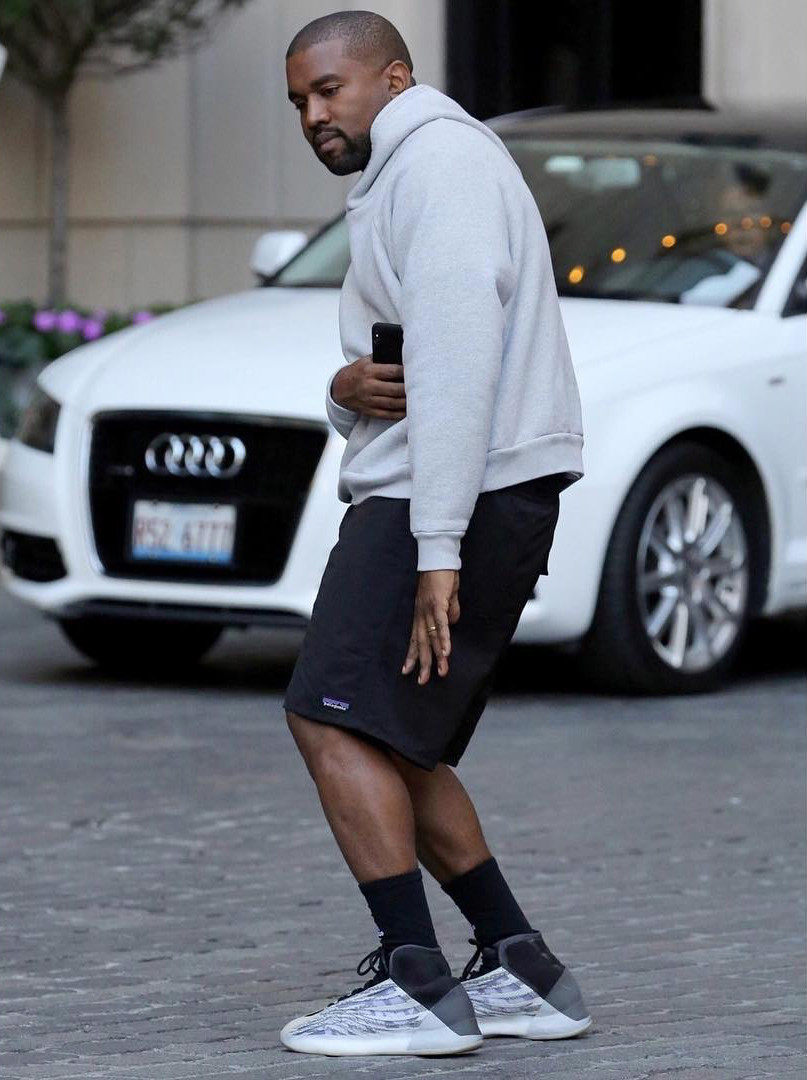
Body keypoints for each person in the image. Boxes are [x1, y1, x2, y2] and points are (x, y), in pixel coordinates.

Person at [280, 10, 591, 1057]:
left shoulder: (439, 164)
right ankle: (519, 967)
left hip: (443, 494)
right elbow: (407, 365)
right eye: (299, 102)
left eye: (329, 89)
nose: (313, 115)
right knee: (392, 737)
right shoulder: (408, 174)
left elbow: (457, 364)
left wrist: (439, 547)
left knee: (329, 717)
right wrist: (342, 390)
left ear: (395, 77)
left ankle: (415, 981)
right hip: (458, 488)